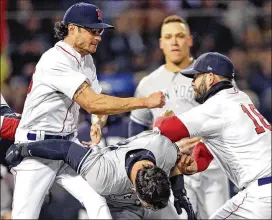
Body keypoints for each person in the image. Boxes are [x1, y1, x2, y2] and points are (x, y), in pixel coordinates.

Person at [11, 2, 165, 219]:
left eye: (100, 31)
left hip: (68, 146)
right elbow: (92, 102)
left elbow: (97, 105)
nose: (98, 36)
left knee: (98, 203)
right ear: (72, 29)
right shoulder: (55, 59)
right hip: (37, 148)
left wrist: (96, 122)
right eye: (93, 30)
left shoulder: (86, 59)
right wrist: (144, 102)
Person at [129, 15, 229, 218]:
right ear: (161, 43)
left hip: (211, 164)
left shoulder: (212, 75)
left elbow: (231, 116)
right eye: (168, 37)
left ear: (190, 40)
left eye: (180, 36)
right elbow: (136, 130)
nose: (174, 41)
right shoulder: (148, 83)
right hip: (174, 169)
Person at [154, 52, 271, 219]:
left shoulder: (216, 105)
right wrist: (196, 164)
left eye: (196, 76)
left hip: (261, 194)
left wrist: (162, 117)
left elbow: (166, 128)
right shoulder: (240, 97)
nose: (192, 82)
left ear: (210, 77)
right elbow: (216, 143)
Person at [6, 128, 196, 220]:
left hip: (145, 194)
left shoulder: (164, 150)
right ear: (134, 188)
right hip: (120, 207)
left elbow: (173, 166)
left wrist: (179, 193)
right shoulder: (104, 177)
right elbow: (66, 149)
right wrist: (25, 149)